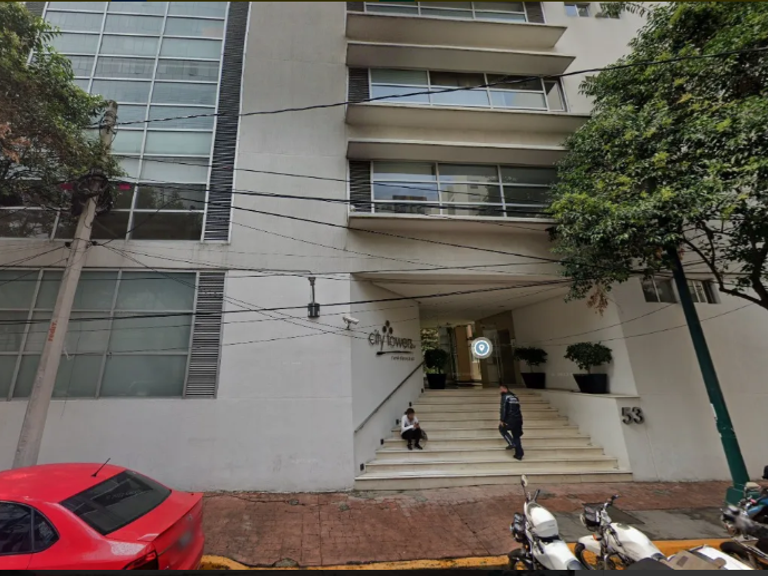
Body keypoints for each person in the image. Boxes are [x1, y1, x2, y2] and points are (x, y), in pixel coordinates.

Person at [499, 384, 524, 460]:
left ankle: (511, 443)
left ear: (505, 389)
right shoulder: (515, 396)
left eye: (501, 389)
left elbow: (503, 409)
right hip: (518, 419)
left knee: (501, 428)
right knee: (516, 436)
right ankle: (519, 454)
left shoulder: (505, 397)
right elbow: (518, 408)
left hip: (510, 419)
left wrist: (502, 420)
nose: (500, 391)